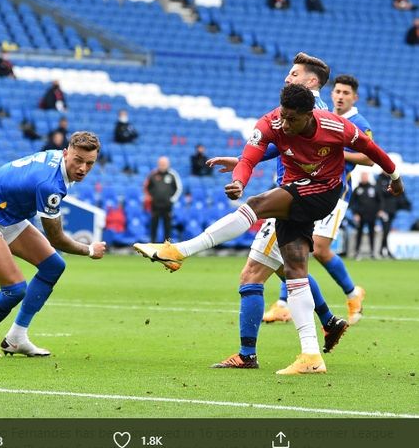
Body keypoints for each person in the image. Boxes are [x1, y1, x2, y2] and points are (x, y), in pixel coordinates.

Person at [135, 84, 403, 375]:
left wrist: (396, 177)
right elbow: (249, 157)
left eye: (292, 119)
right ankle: (312, 356)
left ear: (309, 114)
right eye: (283, 116)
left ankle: (179, 251)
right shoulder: (271, 122)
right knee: (295, 271)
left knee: (257, 205)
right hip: (295, 189)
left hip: (325, 193)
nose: (285, 124)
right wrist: (239, 179)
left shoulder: (335, 125)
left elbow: (371, 149)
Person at [0, 131, 106, 357]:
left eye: (90, 163)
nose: (83, 168)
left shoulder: (58, 163)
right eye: (78, 160)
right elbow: (56, 239)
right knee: (15, 289)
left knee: (53, 266)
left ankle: (16, 338)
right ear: (66, 153)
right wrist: (89, 250)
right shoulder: (50, 185)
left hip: (6, 212)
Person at [262, 74, 373, 325]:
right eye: (338, 92)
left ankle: (352, 293)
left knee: (319, 249)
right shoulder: (318, 116)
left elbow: (368, 157)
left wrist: (338, 153)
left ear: (354, 97)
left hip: (335, 190)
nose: (341, 96)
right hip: (306, 188)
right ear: (331, 94)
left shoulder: (358, 122)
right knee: (296, 243)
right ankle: (283, 304)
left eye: (346, 93)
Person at [144, 156, 183, 243]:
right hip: (155, 205)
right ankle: (152, 244)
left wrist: (172, 200)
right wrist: (149, 197)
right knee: (154, 226)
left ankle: (167, 246)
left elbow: (179, 188)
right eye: (161, 163)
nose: (162, 165)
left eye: (164, 163)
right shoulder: (153, 175)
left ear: (168, 164)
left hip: (167, 206)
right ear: (158, 164)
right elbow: (147, 188)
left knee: (167, 227)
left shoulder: (172, 175)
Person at [376, 173, 410, 258]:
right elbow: (380, 193)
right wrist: (381, 209)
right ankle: (383, 250)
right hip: (384, 210)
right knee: (385, 230)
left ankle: (383, 250)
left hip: (392, 210)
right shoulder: (380, 179)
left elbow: (400, 191)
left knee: (387, 231)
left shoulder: (393, 179)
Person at [350, 172, 380, 259]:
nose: (364, 178)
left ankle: (373, 252)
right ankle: (357, 252)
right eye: (363, 176)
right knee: (359, 234)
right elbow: (352, 203)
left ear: (368, 177)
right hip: (360, 216)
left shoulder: (373, 188)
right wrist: (355, 214)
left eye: (365, 176)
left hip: (371, 215)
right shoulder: (357, 189)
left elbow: (380, 201)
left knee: (372, 233)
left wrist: (379, 211)